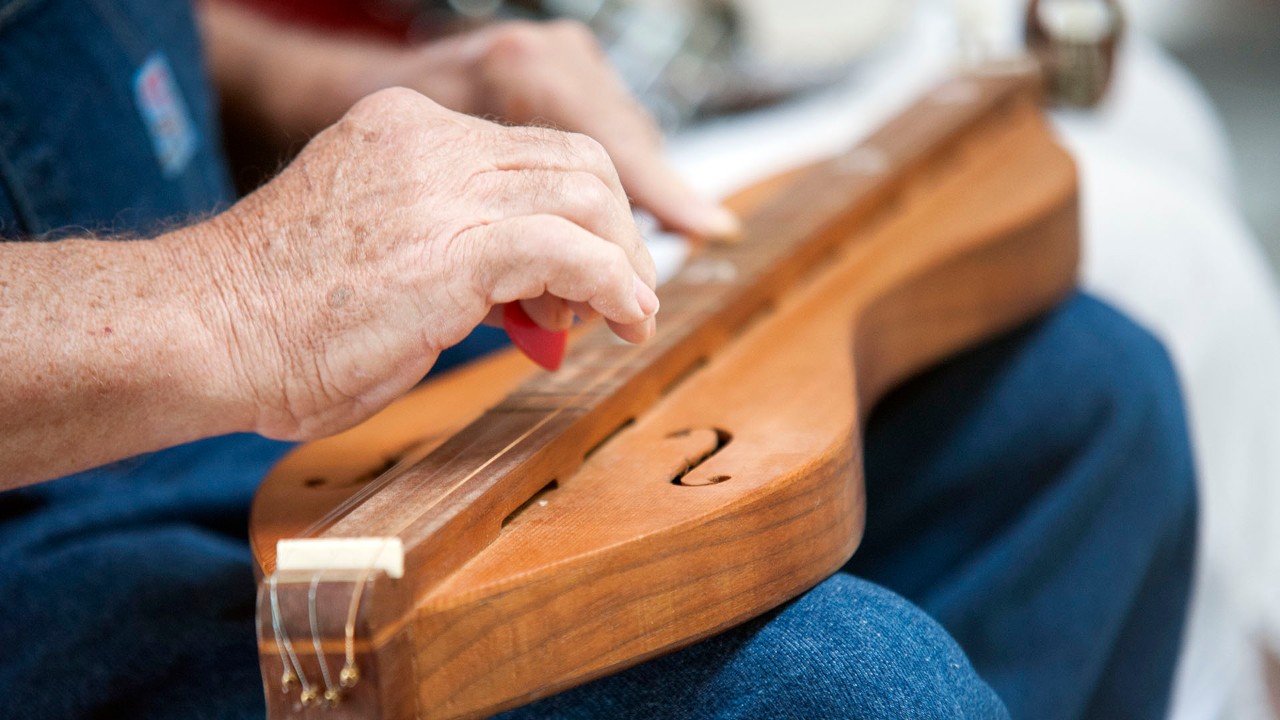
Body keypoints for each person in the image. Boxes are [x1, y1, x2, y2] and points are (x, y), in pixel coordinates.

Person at [0, 1, 1195, 718]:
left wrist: (348, 88)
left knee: (1078, 404)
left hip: (210, 348)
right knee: (842, 690)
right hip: (45, 503)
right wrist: (234, 300)